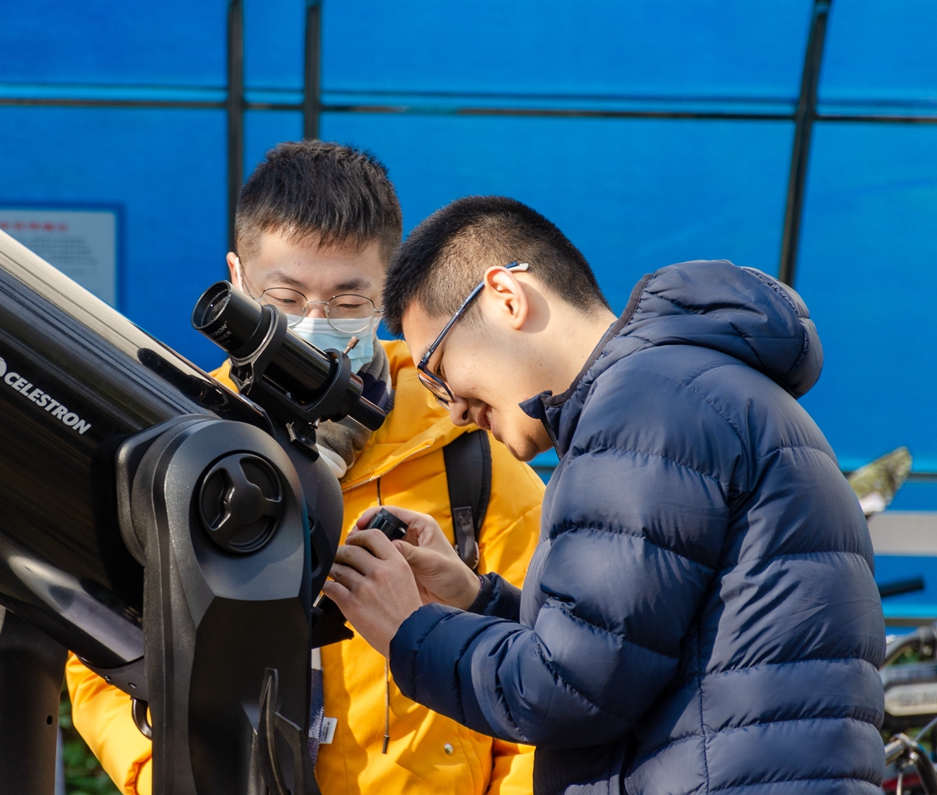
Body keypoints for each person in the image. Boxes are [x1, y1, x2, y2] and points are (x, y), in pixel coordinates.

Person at [323, 196, 886, 795]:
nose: (453, 408)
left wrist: (408, 630)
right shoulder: (685, 388)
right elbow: (636, 651)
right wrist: (474, 599)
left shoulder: (640, 410)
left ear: (506, 298)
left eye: (436, 369)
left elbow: (568, 690)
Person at [65, 145, 547, 794]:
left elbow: (542, 680)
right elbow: (97, 651)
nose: (314, 326)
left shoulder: (471, 456)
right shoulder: (172, 447)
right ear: (236, 279)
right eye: (285, 296)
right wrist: (167, 776)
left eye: (349, 300)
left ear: (391, 289)